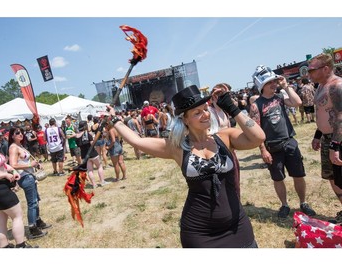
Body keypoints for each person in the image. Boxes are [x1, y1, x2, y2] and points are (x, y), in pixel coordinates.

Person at [105, 84, 265, 248]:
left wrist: (231, 107)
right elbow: (137, 141)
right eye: (197, 112)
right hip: (200, 233)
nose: (205, 115)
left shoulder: (225, 137)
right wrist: (114, 119)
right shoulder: (177, 148)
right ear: (185, 120)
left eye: (205, 109)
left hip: (237, 225)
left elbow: (258, 137)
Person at [249, 65, 316, 219]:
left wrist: (286, 87)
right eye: (270, 82)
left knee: (298, 175)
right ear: (261, 85)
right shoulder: (256, 105)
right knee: (278, 178)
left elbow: (298, 102)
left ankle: (303, 203)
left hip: (289, 142)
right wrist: (263, 150)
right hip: (272, 147)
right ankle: (284, 205)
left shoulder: (280, 97)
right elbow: (256, 130)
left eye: (274, 81)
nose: (274, 84)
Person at [309, 53, 342, 223]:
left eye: (312, 70)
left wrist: (335, 147)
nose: (309, 74)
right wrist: (318, 135)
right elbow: (323, 113)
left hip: (338, 139)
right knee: (332, 177)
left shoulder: (336, 86)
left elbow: (340, 117)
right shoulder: (321, 86)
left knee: (340, 177)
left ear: (326, 69)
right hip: (326, 138)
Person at [8, 126, 52, 239]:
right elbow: (12, 165)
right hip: (25, 177)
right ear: (12, 135)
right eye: (17, 132)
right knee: (32, 203)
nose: (20, 134)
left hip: (30, 176)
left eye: (21, 132)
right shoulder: (13, 148)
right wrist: (29, 165)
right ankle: (33, 228)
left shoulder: (20, 145)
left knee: (36, 200)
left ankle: (37, 221)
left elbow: (24, 159)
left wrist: (35, 164)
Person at [75, 121, 108, 188]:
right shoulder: (87, 134)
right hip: (93, 153)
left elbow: (78, 145)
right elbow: (92, 144)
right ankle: (102, 181)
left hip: (84, 155)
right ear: (85, 126)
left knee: (90, 170)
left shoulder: (76, 136)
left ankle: (94, 184)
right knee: (99, 166)